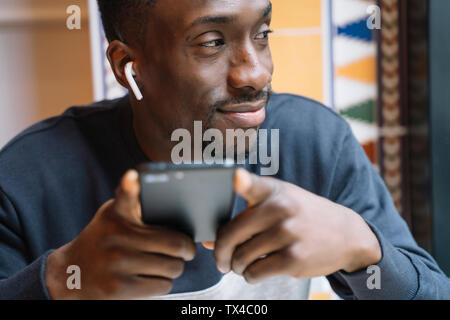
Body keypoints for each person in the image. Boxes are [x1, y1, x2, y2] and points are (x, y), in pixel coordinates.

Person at [0, 0, 448, 300]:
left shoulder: (314, 143)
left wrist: (362, 248)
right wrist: (60, 280)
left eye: (263, 33)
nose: (255, 74)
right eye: (212, 42)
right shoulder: (25, 182)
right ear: (126, 67)